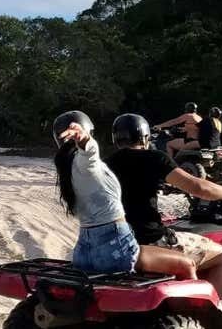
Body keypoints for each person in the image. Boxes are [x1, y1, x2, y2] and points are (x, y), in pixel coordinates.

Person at [106, 113, 222, 298]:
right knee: (220, 255)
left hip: (118, 242)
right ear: (145, 137)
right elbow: (197, 186)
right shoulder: (154, 158)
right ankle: (214, 317)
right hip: (151, 241)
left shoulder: (106, 163)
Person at [51, 110, 195, 278]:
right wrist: (84, 139)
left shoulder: (67, 168)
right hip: (115, 250)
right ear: (89, 131)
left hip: (84, 253)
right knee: (188, 264)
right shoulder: (87, 165)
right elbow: (89, 153)